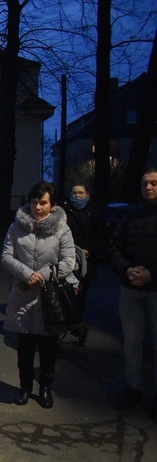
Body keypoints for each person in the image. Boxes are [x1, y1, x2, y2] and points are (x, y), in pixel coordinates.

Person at [1, 181, 76, 409]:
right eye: (34, 202)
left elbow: (68, 261)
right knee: (24, 348)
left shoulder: (62, 229)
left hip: (49, 298)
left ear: (52, 206)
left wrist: (42, 274)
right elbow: (6, 256)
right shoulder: (16, 227)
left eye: (43, 203)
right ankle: (25, 387)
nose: (37, 207)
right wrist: (26, 274)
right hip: (22, 294)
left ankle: (45, 388)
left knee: (47, 348)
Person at [109, 169, 157, 414]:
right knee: (132, 342)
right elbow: (114, 249)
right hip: (130, 291)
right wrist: (126, 270)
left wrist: (152, 274)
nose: (149, 188)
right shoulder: (131, 216)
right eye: (145, 184)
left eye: (154, 184)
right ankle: (133, 388)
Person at [60, 183, 103, 344]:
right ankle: (66, 324)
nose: (77, 196)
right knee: (64, 294)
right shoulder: (64, 210)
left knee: (81, 294)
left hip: (86, 261)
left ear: (87, 194)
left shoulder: (94, 210)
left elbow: (101, 236)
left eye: (80, 193)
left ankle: (77, 324)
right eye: (74, 193)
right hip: (67, 259)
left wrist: (89, 250)